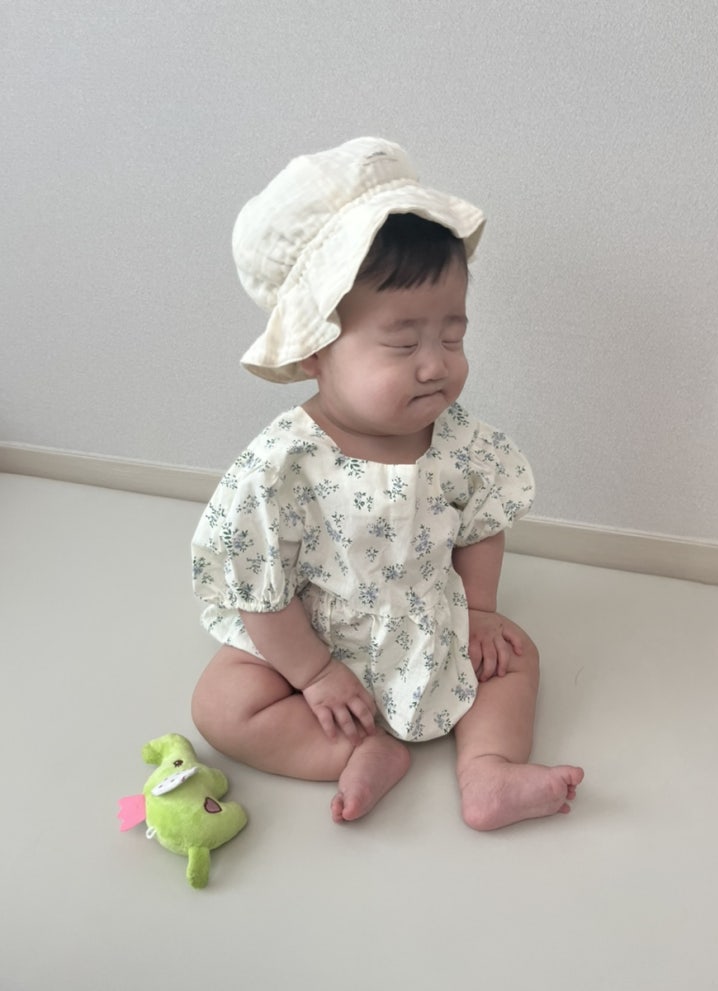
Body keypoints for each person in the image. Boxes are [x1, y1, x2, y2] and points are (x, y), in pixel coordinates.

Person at [191, 137, 583, 830]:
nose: (436, 365)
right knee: (221, 706)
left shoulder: (457, 439)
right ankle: (358, 748)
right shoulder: (280, 467)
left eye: (452, 338)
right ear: (313, 349)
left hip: (430, 618)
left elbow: (481, 523)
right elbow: (260, 590)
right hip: (308, 635)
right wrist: (314, 674)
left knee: (515, 655)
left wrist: (481, 612)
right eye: (403, 344)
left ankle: (487, 769)